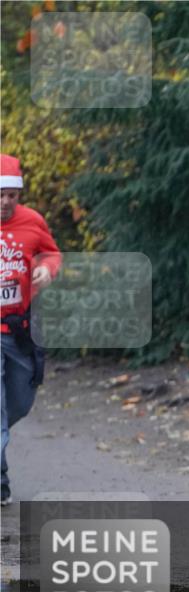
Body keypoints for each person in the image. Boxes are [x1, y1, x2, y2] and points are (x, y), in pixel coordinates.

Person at [1, 154, 61, 507]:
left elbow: (51, 253)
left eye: (12, 195)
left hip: (19, 330)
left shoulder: (32, 221)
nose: (5, 202)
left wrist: (47, 269)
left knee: (20, 403)